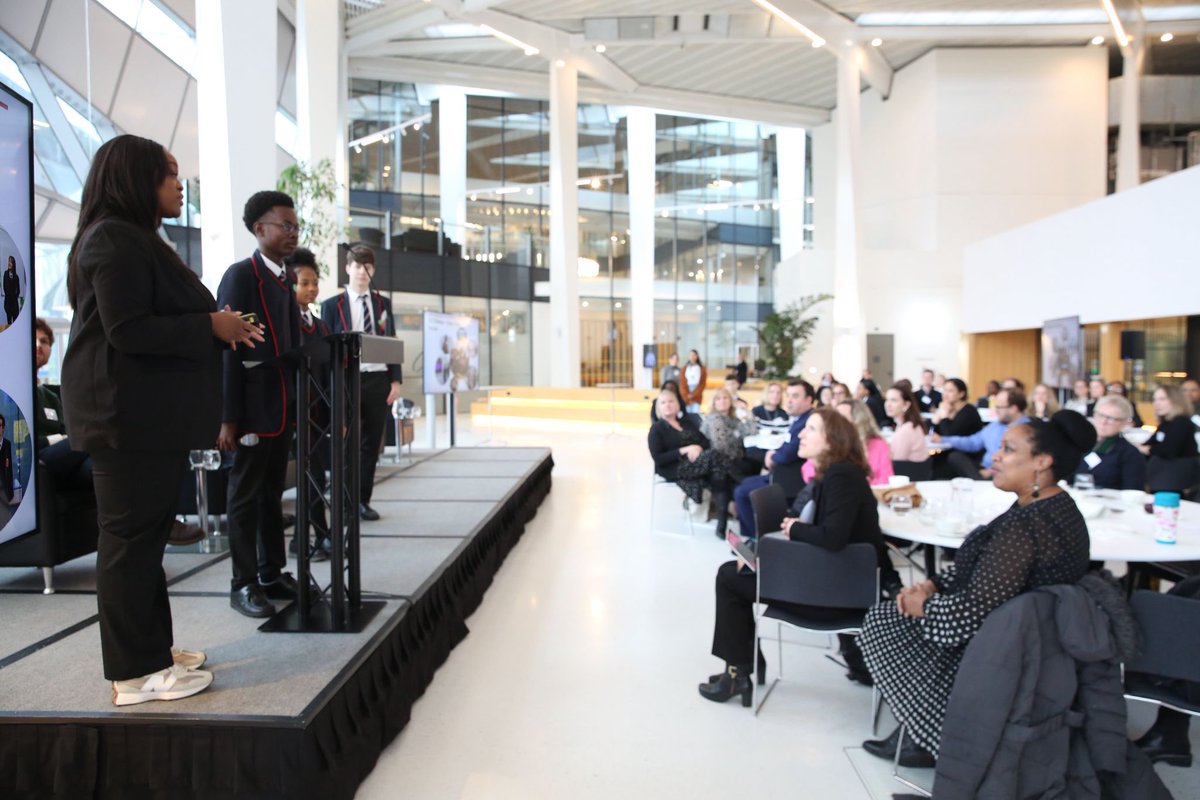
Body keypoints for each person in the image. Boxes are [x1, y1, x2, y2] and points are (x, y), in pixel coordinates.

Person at [61, 134, 263, 705]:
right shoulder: (113, 238)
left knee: (146, 541)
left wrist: (214, 323)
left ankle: (152, 651)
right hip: (123, 417)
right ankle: (134, 675)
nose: (179, 184)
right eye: (168, 174)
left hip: (143, 418)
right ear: (135, 179)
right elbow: (128, 330)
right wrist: (209, 326)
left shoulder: (134, 237)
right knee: (129, 543)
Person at [858, 410, 1097, 766]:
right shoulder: (1052, 506)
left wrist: (924, 605)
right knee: (902, 612)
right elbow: (990, 574)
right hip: (1034, 637)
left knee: (884, 621)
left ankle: (936, 735)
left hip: (1007, 648)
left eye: (1008, 449)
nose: (994, 456)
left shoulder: (1028, 527)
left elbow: (972, 614)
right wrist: (933, 584)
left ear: (1042, 462)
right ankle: (924, 726)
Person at [699, 407, 898, 705]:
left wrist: (795, 530)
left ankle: (738, 672)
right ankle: (743, 665)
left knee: (729, 577)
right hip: (838, 581)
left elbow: (832, 537)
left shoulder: (841, 476)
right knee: (735, 571)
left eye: (812, 429)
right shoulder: (838, 474)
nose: (801, 434)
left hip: (834, 595)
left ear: (833, 440)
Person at [217, 190, 305, 619]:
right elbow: (228, 351)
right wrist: (228, 417)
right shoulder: (241, 276)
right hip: (251, 409)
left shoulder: (285, 279)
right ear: (259, 228)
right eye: (285, 225)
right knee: (244, 497)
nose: (293, 232)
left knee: (272, 494)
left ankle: (272, 573)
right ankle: (243, 583)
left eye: (296, 226)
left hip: (281, 406)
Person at [319, 244, 403, 521]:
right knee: (345, 443)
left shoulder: (382, 304)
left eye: (367, 267)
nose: (362, 272)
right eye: (357, 266)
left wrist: (395, 380)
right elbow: (326, 349)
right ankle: (344, 502)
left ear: (372, 271)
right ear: (348, 268)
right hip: (346, 379)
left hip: (378, 379)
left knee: (371, 444)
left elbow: (391, 340)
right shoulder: (331, 306)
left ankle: (362, 501)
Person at [286, 247, 332, 563]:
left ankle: (313, 537)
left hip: (315, 415)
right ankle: (306, 539)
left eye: (314, 282)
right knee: (307, 477)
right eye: (304, 283)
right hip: (289, 414)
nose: (312, 288)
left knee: (316, 477)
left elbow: (328, 374)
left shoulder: (320, 326)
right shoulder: (285, 324)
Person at [732, 380, 815, 538]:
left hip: (791, 480)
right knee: (743, 483)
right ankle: (752, 535)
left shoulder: (807, 421)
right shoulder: (799, 419)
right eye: (788, 395)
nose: (789, 400)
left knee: (741, 493)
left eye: (795, 396)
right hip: (782, 472)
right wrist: (774, 454)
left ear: (808, 400)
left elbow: (790, 453)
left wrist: (773, 456)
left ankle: (756, 539)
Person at [648, 389, 734, 531]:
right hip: (673, 467)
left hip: (696, 462)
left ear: (677, 404)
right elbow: (658, 459)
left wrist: (698, 447)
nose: (667, 405)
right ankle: (726, 510)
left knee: (717, 471)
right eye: (663, 402)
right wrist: (685, 450)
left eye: (671, 401)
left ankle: (722, 519)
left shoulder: (686, 423)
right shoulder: (656, 429)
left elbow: (705, 442)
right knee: (716, 459)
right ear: (659, 407)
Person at [933, 388, 1029, 480]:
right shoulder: (996, 425)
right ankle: (978, 479)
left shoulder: (1027, 431)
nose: (996, 410)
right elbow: (973, 442)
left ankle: (979, 480)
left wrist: (991, 470)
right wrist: (943, 439)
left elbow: (1021, 461)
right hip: (984, 467)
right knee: (953, 457)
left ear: (1013, 409)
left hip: (1006, 472)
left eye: (999, 407)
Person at [801, 400, 893, 486]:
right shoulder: (833, 444)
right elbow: (808, 468)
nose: (836, 423)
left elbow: (886, 478)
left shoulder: (878, 445)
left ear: (859, 421)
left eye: (842, 418)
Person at [1076, 395, 1145, 491]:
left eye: (1111, 418)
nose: (1103, 422)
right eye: (1100, 415)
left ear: (1124, 423)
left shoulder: (1130, 454)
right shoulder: (1080, 445)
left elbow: (1132, 491)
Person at [1137, 386, 1198, 491]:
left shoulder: (1181, 422)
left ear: (1175, 400)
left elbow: (1169, 450)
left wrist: (1147, 449)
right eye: (1155, 399)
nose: (1157, 403)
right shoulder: (1166, 423)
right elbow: (1153, 441)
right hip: (1164, 475)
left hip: (1177, 477)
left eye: (1162, 399)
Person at [885, 384, 929, 463]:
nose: (888, 404)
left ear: (906, 405)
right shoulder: (910, 425)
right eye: (887, 400)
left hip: (905, 469)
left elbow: (896, 462)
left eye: (893, 400)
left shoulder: (906, 430)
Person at [681, 349, 706, 414]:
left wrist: (694, 394)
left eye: (694, 355)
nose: (692, 357)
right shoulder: (684, 368)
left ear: (697, 356)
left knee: (696, 412)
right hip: (687, 391)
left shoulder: (701, 368)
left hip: (697, 391)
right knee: (687, 412)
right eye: (691, 355)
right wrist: (686, 394)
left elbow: (702, 383)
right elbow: (682, 382)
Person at [3, 255, 20, 326]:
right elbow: (5, 288)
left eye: (11, 262)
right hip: (8, 303)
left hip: (14, 305)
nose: (9, 263)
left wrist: (14, 296)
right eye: (8, 261)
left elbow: (18, 291)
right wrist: (11, 294)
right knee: (9, 324)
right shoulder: (5, 274)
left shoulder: (16, 277)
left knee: (15, 324)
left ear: (13, 264)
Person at [0, 415, 12, 506]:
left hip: (4, 490)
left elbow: (9, 468)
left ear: (3, 428)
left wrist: (10, 493)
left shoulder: (7, 444)